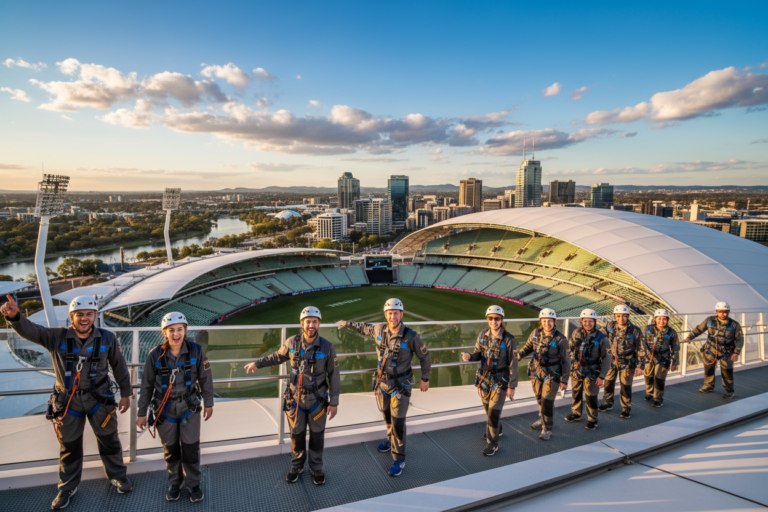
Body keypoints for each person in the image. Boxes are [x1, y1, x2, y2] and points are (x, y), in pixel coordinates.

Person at [1, 295, 133, 510]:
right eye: (79, 314)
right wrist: (15, 317)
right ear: (71, 317)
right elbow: (31, 331)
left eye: (89, 314)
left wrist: (126, 393)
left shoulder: (107, 338)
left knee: (109, 440)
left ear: (95, 316)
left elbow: (119, 365)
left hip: (100, 398)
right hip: (68, 401)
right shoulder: (56, 336)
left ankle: (117, 476)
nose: (84, 318)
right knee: (69, 446)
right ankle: (67, 487)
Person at [336, 298, 431, 476]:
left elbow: (425, 357)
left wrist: (425, 378)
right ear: (385, 315)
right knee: (387, 415)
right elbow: (364, 327)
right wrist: (347, 323)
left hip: (401, 385)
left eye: (396, 313)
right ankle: (390, 439)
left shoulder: (411, 336)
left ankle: (399, 457)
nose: (393, 316)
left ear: (401, 314)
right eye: (389, 313)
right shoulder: (379, 329)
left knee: (398, 421)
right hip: (383, 384)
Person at [245, 306, 340, 485]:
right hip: (296, 400)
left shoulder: (327, 347)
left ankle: (316, 468)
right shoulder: (292, 343)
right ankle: (297, 466)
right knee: (296, 435)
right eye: (308, 322)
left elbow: (334, 375)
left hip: (318, 401)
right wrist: (257, 363)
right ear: (302, 324)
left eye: (314, 322)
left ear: (319, 324)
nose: (311, 325)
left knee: (317, 436)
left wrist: (333, 402)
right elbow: (276, 357)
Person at [136, 312, 214, 503]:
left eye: (180, 329)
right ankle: (175, 482)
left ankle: (193, 484)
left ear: (185, 330)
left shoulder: (196, 351)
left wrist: (209, 403)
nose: (176, 334)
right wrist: (142, 412)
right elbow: (146, 386)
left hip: (190, 407)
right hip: (165, 410)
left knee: (190, 449)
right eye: (171, 330)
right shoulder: (154, 355)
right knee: (170, 450)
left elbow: (206, 379)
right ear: (165, 332)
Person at [461, 305, 518, 456]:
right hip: (485, 379)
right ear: (487, 319)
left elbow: (513, 364)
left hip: (500, 380)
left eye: (497, 318)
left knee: (493, 412)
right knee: (488, 409)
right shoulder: (483, 334)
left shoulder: (509, 339)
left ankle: (492, 443)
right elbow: (478, 353)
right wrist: (470, 356)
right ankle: (497, 429)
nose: (494, 321)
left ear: (502, 320)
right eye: (491, 318)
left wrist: (512, 386)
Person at [517, 308, 570, 440]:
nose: (547, 324)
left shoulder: (560, 339)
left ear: (554, 322)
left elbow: (566, 361)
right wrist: (520, 354)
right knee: (540, 399)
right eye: (544, 321)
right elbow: (528, 346)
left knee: (547, 401)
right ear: (541, 321)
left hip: (552, 375)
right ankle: (542, 420)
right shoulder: (535, 333)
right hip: (536, 373)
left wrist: (564, 380)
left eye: (550, 321)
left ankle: (547, 428)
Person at [564, 309, 612, 431]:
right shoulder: (576, 332)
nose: (587, 324)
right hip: (577, 370)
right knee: (576, 393)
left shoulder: (602, 338)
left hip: (593, 372)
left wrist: (602, 376)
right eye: (585, 321)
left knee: (591, 396)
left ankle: (592, 419)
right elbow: (570, 350)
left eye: (590, 321)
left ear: (594, 322)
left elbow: (607, 358)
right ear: (581, 321)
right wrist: (571, 368)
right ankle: (576, 413)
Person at [685, 302, 743, 399]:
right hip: (710, 350)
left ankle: (729, 391)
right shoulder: (709, 320)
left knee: (727, 372)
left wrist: (736, 353)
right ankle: (708, 386)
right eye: (720, 312)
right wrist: (689, 337)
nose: (722, 314)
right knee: (708, 369)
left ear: (728, 312)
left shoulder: (734, 324)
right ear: (716, 311)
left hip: (727, 352)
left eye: (725, 312)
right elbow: (699, 329)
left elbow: (740, 339)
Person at [598, 304, 644, 419]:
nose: (621, 319)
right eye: (618, 316)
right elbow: (599, 338)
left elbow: (641, 348)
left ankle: (626, 407)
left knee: (625, 385)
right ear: (615, 316)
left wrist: (640, 366)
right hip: (611, 361)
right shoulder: (609, 327)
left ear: (628, 316)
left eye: (624, 316)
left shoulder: (635, 330)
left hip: (627, 363)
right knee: (608, 383)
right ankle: (608, 402)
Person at [641, 309, 679, 407]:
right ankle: (650, 394)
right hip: (649, 358)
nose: (661, 321)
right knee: (648, 377)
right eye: (659, 319)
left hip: (663, 359)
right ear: (655, 319)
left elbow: (675, 348)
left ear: (667, 320)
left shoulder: (671, 332)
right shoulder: (648, 329)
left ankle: (658, 399)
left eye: (664, 319)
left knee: (659, 379)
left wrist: (675, 363)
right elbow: (643, 343)